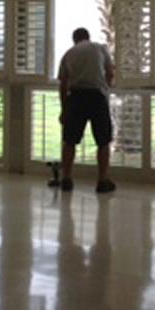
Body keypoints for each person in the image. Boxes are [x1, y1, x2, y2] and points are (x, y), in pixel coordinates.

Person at [57, 27, 116, 194]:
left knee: (69, 140)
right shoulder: (100, 48)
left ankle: (66, 178)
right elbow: (110, 73)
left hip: (75, 97)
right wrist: (106, 89)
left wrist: (64, 109)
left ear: (74, 40)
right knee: (103, 140)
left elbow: (63, 83)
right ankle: (102, 180)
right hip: (96, 97)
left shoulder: (68, 54)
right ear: (88, 37)